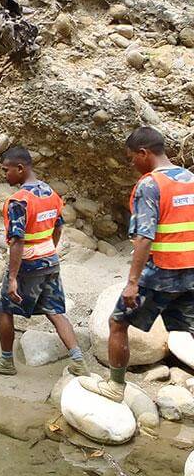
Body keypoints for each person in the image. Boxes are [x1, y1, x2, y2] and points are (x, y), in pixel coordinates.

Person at [81, 127, 194, 401]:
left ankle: (115, 387)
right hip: (190, 272)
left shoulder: (149, 184)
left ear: (144, 153)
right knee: (187, 330)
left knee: (117, 322)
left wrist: (132, 283)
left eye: (132, 158)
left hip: (161, 274)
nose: (132, 164)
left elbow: (144, 237)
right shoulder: (190, 178)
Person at [0, 147, 89, 377]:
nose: (4, 175)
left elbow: (17, 241)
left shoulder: (18, 201)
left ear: (20, 168)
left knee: (5, 309)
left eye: (6, 170)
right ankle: (79, 360)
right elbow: (58, 226)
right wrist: (48, 248)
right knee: (56, 311)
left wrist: (12, 278)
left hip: (28, 264)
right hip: (50, 259)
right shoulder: (50, 192)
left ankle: (6, 362)